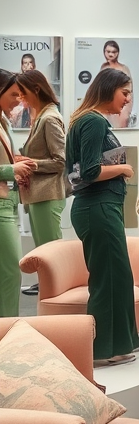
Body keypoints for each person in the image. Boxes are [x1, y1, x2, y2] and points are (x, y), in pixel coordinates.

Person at [65, 68, 139, 365]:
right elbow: (90, 171)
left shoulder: (90, 120)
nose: (126, 100)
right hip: (97, 207)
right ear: (109, 89)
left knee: (118, 276)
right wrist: (124, 168)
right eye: (124, 93)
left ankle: (122, 343)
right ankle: (102, 351)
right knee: (109, 279)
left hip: (100, 208)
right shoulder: (93, 121)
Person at [16, 70, 67, 249]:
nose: (20, 97)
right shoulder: (41, 116)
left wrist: (30, 164)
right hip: (39, 196)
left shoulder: (49, 118)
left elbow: (60, 161)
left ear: (36, 89)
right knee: (43, 255)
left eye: (23, 92)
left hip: (47, 195)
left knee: (50, 255)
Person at [0, 70, 35, 316]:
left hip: (9, 201)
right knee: (11, 271)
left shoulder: (4, 121)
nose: (18, 100)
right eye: (14, 94)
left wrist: (15, 160)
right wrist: (12, 168)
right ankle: (9, 334)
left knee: (9, 272)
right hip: (2, 203)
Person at [99, 40, 134, 128]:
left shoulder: (124, 68)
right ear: (104, 52)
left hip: (123, 103)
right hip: (108, 103)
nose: (111, 54)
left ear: (118, 53)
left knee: (122, 125)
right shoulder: (104, 67)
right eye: (108, 52)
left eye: (114, 52)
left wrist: (127, 108)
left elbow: (130, 89)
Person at [11, 53, 36, 129]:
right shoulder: (18, 80)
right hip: (20, 110)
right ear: (22, 65)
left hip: (33, 109)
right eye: (25, 63)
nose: (28, 65)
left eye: (30, 62)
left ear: (33, 65)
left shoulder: (36, 79)